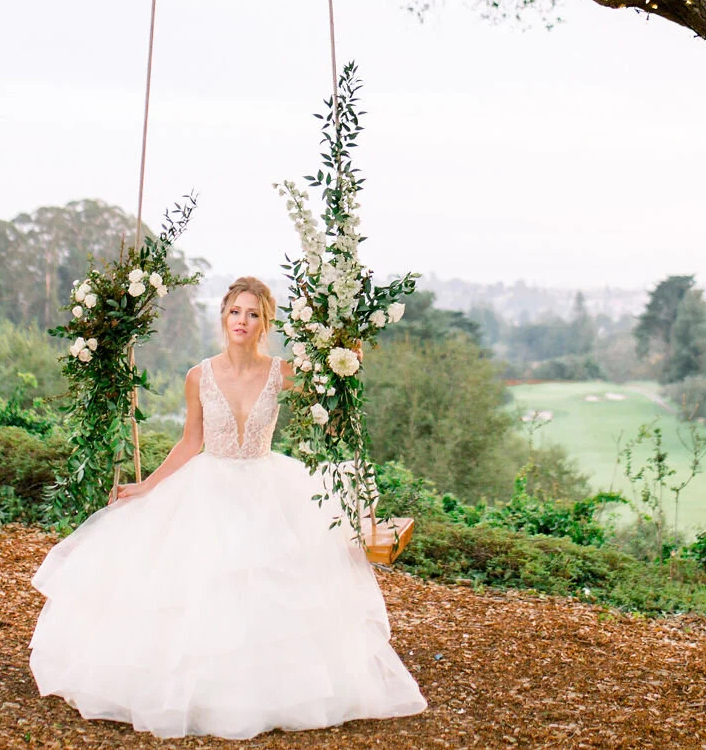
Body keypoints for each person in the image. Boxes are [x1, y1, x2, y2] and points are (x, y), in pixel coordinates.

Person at [28, 275, 427, 739]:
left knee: (274, 582)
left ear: (265, 323)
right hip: (208, 485)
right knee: (199, 584)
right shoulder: (199, 376)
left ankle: (273, 689)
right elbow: (190, 441)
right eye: (236, 311)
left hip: (267, 485)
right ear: (224, 316)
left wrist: (346, 373)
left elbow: (333, 414)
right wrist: (149, 485)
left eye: (253, 314)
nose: (242, 320)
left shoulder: (284, 373)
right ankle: (196, 690)